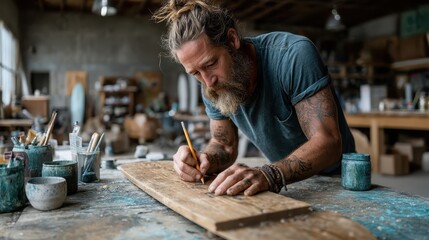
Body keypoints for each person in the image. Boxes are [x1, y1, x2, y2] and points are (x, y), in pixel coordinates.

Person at [153, 0, 355, 196]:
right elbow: (224, 145)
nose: (207, 81)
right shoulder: (212, 85)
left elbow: (328, 142)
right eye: (195, 73)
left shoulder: (293, 56)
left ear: (232, 40)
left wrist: (270, 174)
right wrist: (204, 159)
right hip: (287, 185)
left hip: (340, 181)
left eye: (211, 63)